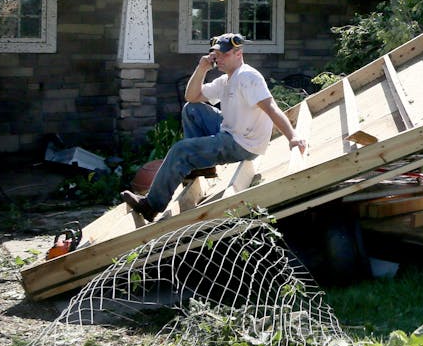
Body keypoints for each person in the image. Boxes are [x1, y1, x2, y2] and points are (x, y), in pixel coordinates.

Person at [122, 32, 306, 221]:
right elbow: (191, 97)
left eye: (224, 54)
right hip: (231, 130)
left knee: (180, 150)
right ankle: (202, 168)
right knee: (192, 109)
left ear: (238, 53)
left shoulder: (248, 77)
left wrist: (292, 137)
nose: (219, 58)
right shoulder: (226, 80)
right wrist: (202, 68)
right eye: (216, 54)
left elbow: (271, 107)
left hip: (243, 144)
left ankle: (152, 205)